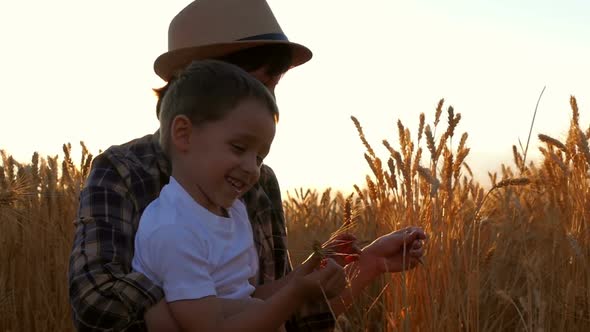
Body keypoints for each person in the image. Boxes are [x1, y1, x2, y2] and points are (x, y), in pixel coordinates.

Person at [68, 0, 428, 331]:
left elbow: (279, 314)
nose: (269, 100)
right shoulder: (122, 171)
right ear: (196, 85)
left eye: (274, 86)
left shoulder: (257, 183)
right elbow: (97, 305)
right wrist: (187, 307)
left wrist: (366, 264)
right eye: (257, 84)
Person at [131, 59, 347, 332]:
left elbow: (247, 298)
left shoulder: (233, 211)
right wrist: (295, 294)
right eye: (238, 147)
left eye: (259, 157)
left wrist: (304, 277)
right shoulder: (174, 230)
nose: (252, 169)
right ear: (184, 135)